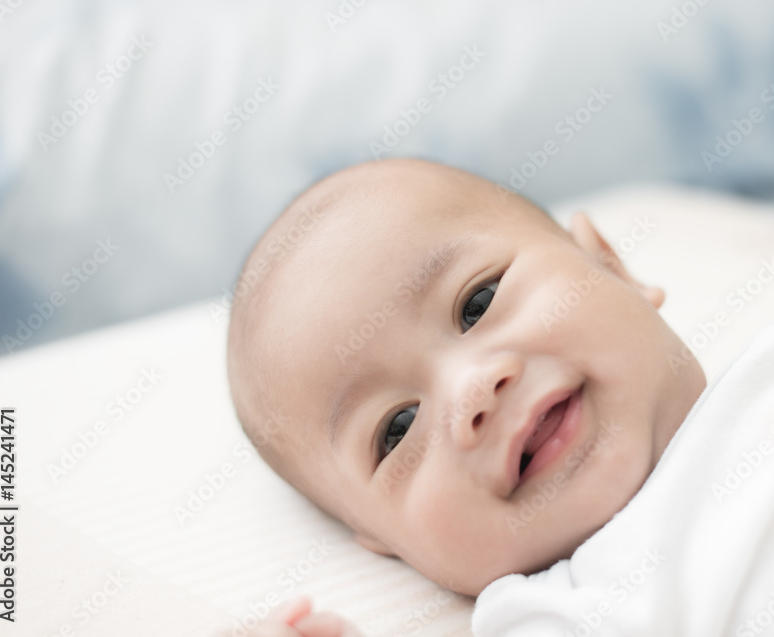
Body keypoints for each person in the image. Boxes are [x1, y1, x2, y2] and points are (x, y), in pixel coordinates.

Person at [226, 158, 707, 635]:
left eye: (477, 303)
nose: (472, 390)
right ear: (386, 542)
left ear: (609, 261)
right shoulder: (551, 617)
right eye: (398, 428)